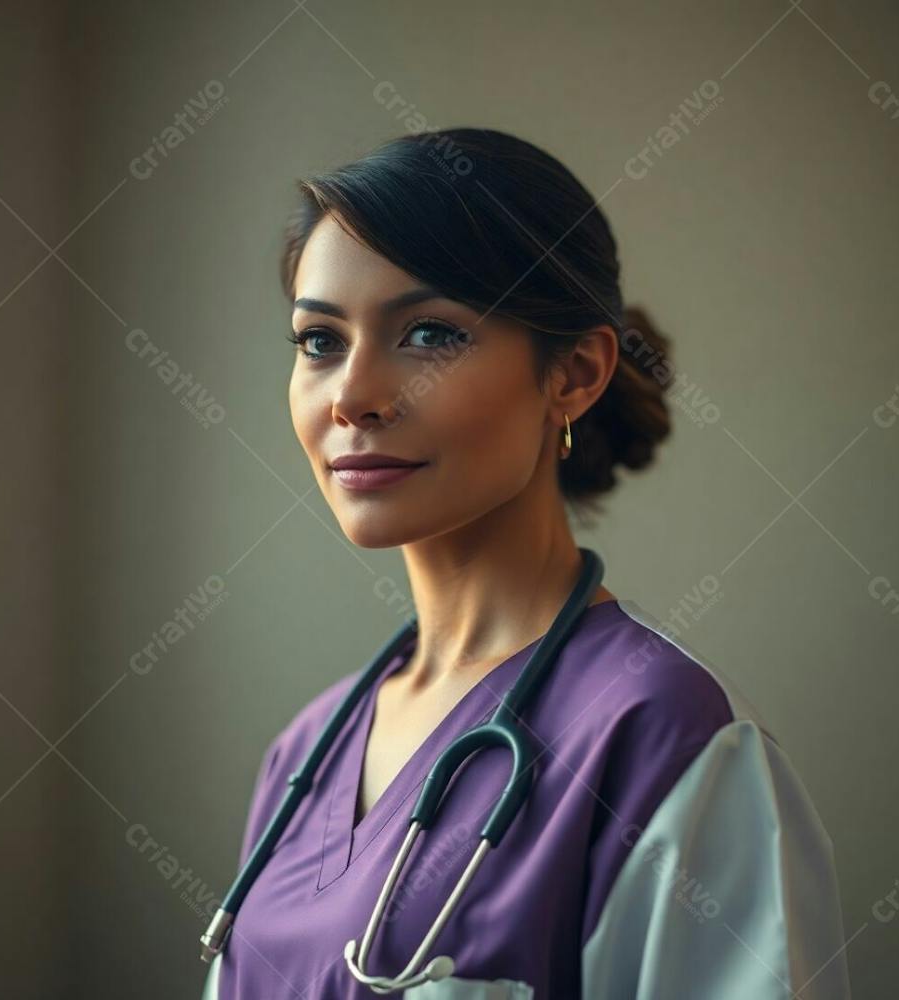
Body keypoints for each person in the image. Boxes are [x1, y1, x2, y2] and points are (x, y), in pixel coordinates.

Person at [208, 128, 852, 999]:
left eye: (429, 333)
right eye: (320, 341)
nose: (353, 397)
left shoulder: (667, 738)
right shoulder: (304, 756)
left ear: (574, 373)